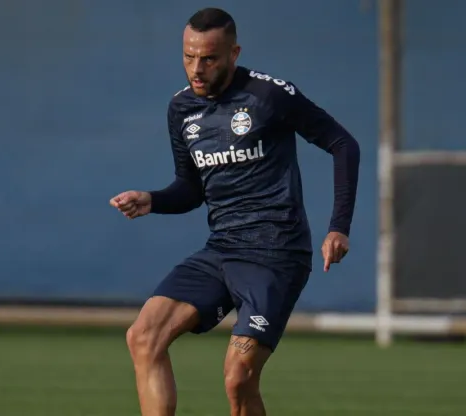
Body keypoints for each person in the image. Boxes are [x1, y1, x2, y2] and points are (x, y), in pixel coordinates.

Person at [109, 7, 360, 416]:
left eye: (208, 58)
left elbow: (343, 143)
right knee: (142, 336)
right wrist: (152, 199)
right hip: (223, 248)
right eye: (189, 56)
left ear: (234, 53)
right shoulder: (181, 110)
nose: (196, 68)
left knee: (238, 377)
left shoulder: (269, 96)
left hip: (277, 253)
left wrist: (339, 227)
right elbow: (192, 189)